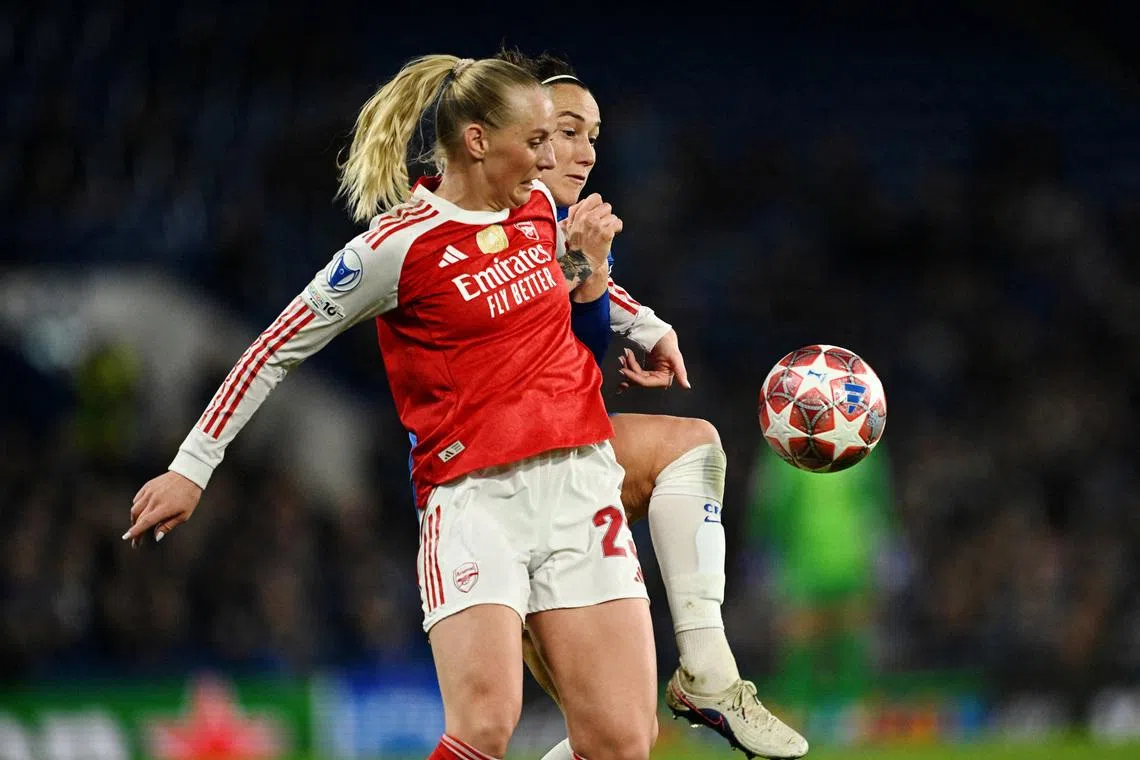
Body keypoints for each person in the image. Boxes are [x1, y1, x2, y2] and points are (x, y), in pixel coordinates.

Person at [123, 54, 659, 760]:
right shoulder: (395, 248)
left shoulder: (537, 211)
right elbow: (274, 348)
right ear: (477, 140)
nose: (549, 159)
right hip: (476, 503)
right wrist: (192, 466)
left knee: (623, 741)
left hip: (578, 484)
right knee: (486, 724)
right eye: (534, 141)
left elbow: (557, 301)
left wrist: (644, 324)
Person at [496, 50, 809, 760]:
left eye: (592, 137)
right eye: (565, 131)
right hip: (494, 495)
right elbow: (540, 318)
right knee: (609, 743)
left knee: (691, 444)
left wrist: (644, 322)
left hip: (555, 463)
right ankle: (706, 674)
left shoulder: (553, 226)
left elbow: (569, 307)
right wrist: (590, 272)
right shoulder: (487, 224)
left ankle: (708, 670)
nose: (584, 153)